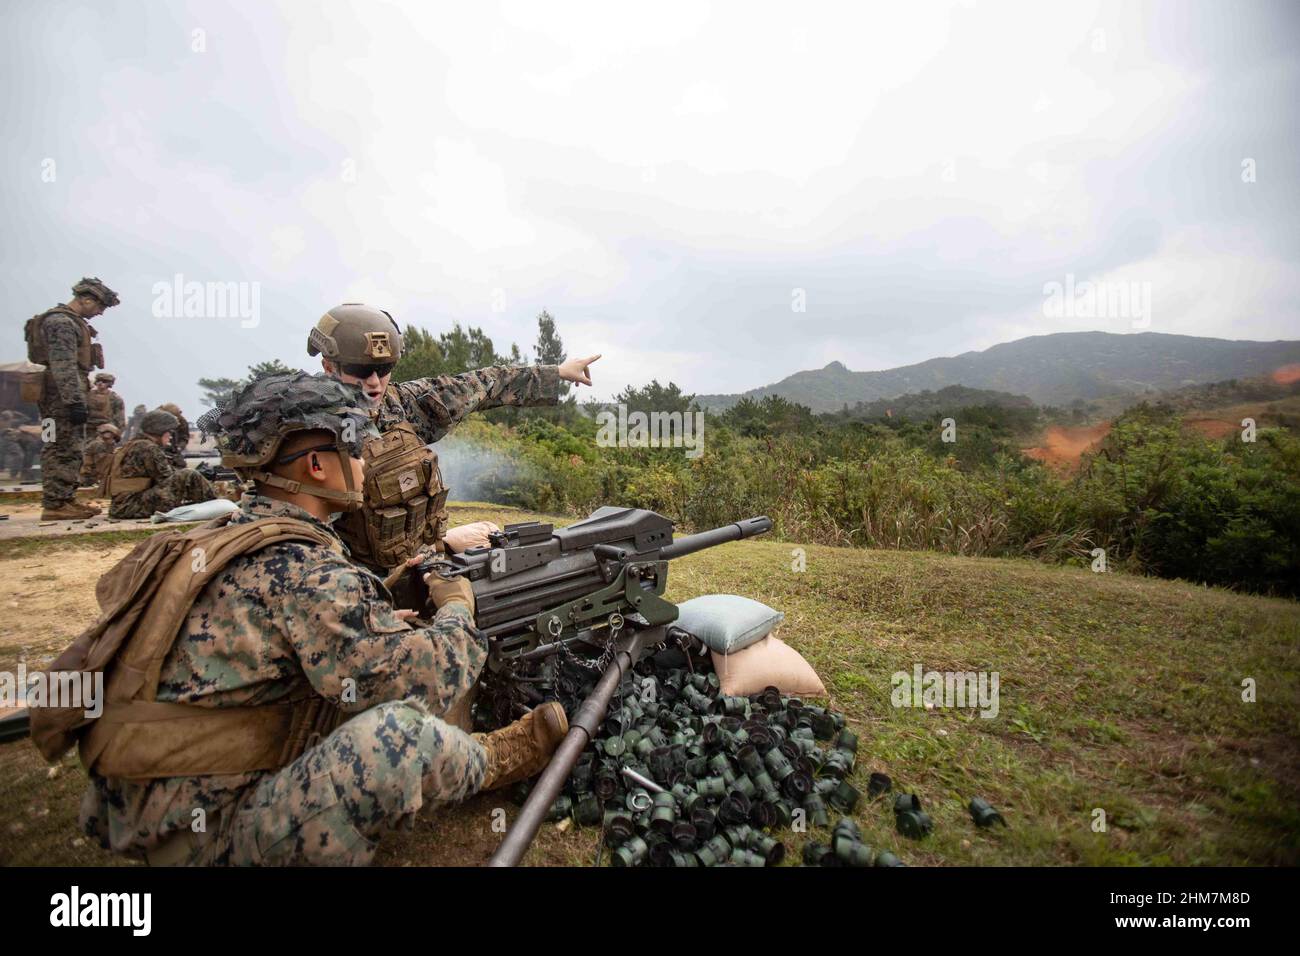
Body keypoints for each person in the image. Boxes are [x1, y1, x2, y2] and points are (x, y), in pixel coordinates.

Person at [44, 371, 567, 865]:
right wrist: (456, 607)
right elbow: (423, 683)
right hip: (208, 834)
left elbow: (285, 639)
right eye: (356, 449)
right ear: (316, 466)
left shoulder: (220, 538)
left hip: (141, 808)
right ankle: (492, 760)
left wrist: (380, 597)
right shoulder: (303, 569)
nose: (364, 464)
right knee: (400, 735)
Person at [307, 303, 600, 574]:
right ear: (329, 367)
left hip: (417, 568)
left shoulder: (400, 405)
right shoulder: (306, 431)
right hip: (353, 589)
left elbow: (482, 384)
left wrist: (556, 373)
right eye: (360, 371)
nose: (374, 381)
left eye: (384, 369)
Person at [24, 277, 119, 519]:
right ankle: (56, 504)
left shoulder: (66, 321)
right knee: (62, 448)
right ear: (86, 299)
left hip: (58, 397)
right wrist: (74, 401)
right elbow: (63, 365)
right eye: (99, 307)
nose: (99, 312)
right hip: (60, 399)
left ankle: (63, 499)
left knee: (62, 446)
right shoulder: (62, 322)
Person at [105, 409, 216, 519]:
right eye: (168, 432)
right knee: (189, 474)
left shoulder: (133, 444)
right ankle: (217, 506)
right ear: (159, 431)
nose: (170, 436)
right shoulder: (148, 448)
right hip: (132, 506)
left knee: (186, 475)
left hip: (121, 506)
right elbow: (166, 478)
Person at [79, 423, 120, 488]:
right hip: (91, 479)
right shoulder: (99, 445)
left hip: (91, 478)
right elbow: (101, 465)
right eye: (113, 437)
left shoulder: (100, 444)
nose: (113, 441)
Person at [158, 402, 190, 468]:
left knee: (181, 465)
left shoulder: (182, 421)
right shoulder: (156, 419)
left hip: (174, 448)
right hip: (158, 447)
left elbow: (184, 437)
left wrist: (179, 447)